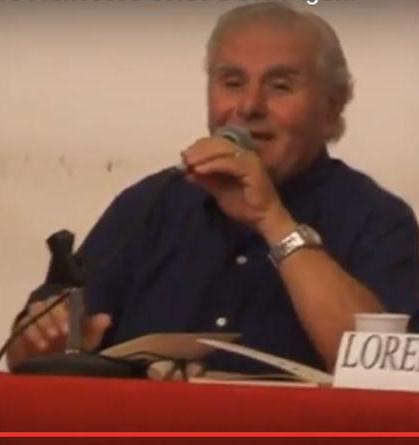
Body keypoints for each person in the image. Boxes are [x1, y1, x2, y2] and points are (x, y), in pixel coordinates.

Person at [6, 2, 419, 373]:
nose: (249, 106)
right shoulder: (151, 204)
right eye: (232, 82)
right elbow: (28, 355)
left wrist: (273, 220)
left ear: (332, 105)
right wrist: (44, 339)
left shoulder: (379, 221)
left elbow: (384, 374)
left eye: (279, 86)